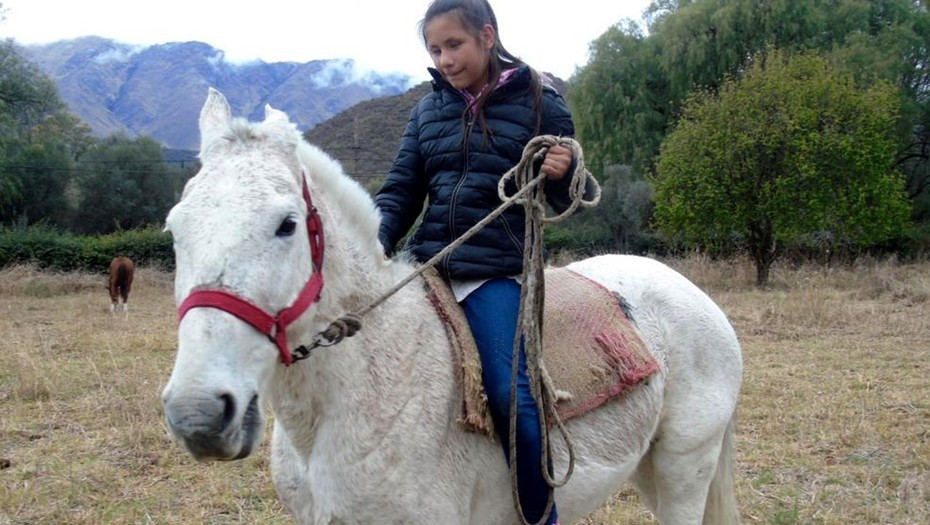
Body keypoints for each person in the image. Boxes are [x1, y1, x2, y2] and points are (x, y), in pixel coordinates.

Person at [375, 1, 583, 523]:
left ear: (487, 37)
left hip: (494, 272)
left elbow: (559, 201)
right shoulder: (428, 111)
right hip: (426, 266)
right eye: (434, 49)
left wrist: (563, 169)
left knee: (510, 398)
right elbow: (401, 191)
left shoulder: (542, 102)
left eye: (454, 45)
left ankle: (541, 516)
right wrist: (371, 247)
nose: (444, 59)